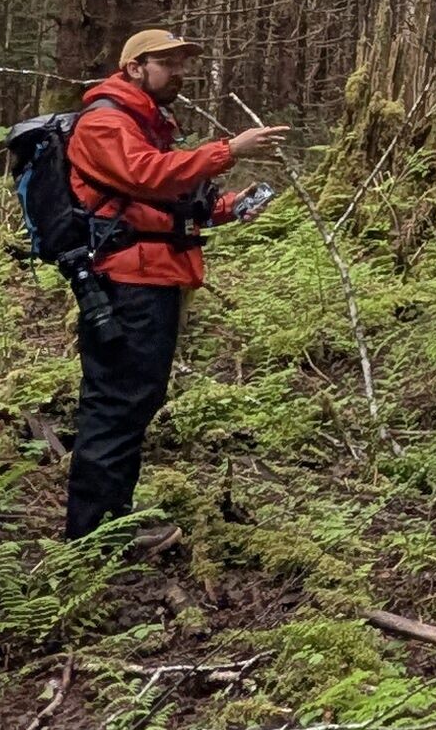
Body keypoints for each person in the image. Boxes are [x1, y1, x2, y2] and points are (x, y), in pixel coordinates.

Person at [59, 28, 287, 538]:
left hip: (151, 277)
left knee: (134, 400)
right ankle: (93, 535)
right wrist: (229, 150)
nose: (179, 72)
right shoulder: (105, 123)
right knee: (117, 402)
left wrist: (227, 207)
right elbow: (148, 175)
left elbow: (158, 203)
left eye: (183, 63)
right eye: (168, 63)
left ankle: (110, 520)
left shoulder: (145, 124)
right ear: (134, 68)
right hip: (125, 283)